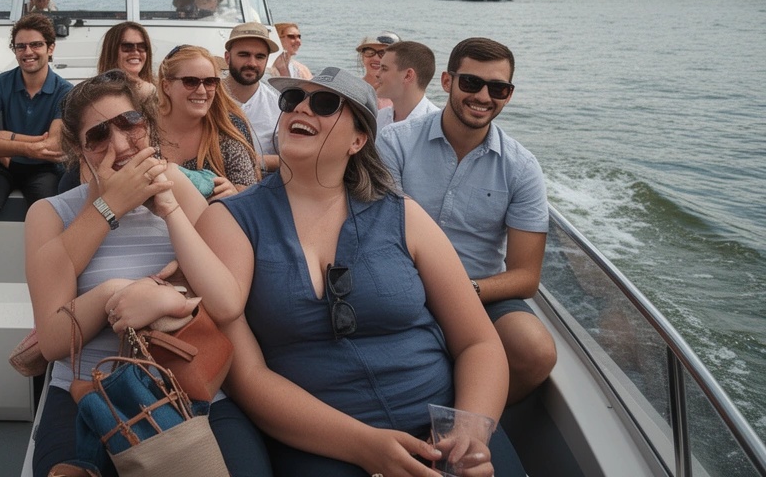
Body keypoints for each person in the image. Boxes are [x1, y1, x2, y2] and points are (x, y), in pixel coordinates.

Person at [188, 67, 525, 477]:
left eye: (325, 103)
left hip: (445, 428)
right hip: (323, 442)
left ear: (358, 140)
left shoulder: (403, 216)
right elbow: (247, 375)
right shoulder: (231, 221)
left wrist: (470, 429)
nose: (302, 108)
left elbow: (478, 342)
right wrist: (365, 446)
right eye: (292, 100)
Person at [25, 70, 271, 477]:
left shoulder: (177, 187)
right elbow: (52, 342)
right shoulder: (51, 214)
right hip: (89, 389)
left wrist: (170, 210)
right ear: (78, 150)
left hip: (188, 382)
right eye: (99, 136)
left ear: (149, 126)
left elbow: (227, 304)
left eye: (130, 123)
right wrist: (117, 289)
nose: (120, 145)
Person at [376, 38, 557, 405]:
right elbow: (381, 234)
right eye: (472, 83)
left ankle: (467, 420)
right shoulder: (394, 143)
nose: (483, 97)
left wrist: (465, 291)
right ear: (447, 81)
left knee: (535, 351)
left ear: (508, 95)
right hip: (401, 280)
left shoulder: (521, 168)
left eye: (498, 88)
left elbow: (526, 276)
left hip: (478, 290)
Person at [0, 14, 73, 220]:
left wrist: (2, 137)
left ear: (51, 48)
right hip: (1, 165)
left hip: (43, 169)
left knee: (49, 217)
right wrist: (29, 147)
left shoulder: (64, 91)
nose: (28, 52)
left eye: (36, 44)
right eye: (21, 46)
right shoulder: (1, 83)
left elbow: (53, 146)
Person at [157, 45, 259, 198]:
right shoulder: (142, 129)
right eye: (190, 81)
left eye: (210, 82)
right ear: (166, 87)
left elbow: (251, 199)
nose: (202, 91)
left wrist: (234, 195)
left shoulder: (227, 134)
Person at [223, 23, 282, 173]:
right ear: (227, 58)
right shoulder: (206, 96)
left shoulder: (279, 104)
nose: (252, 63)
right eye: (244, 55)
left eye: (260, 57)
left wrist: (251, 161)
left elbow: (293, 158)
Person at [373, 40, 441, 131]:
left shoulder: (437, 125)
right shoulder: (378, 119)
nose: (377, 74)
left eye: (384, 69)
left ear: (408, 76)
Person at [96, 21, 157, 101]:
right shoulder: (99, 95)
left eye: (141, 46)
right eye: (127, 47)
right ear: (111, 51)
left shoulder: (159, 89)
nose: (136, 52)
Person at [356, 32, 400, 110]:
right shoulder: (352, 90)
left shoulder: (405, 94)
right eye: (370, 52)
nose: (375, 58)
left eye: (383, 53)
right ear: (362, 57)